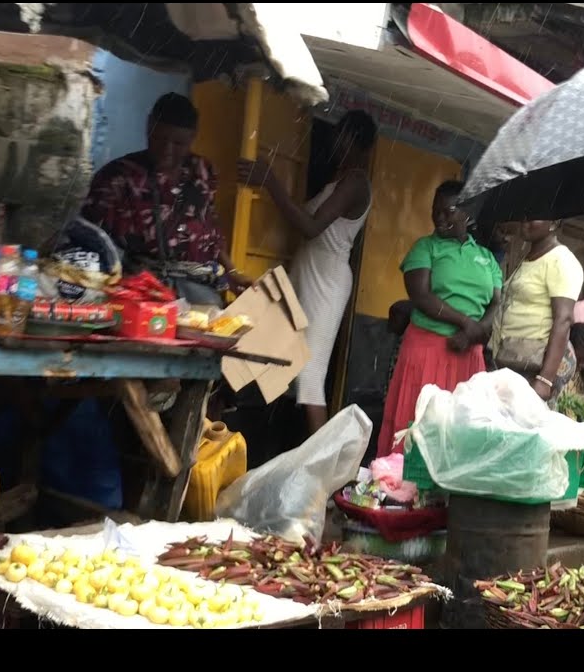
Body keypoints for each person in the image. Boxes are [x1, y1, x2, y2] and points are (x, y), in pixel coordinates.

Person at [237, 110, 376, 435]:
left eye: (341, 136)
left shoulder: (356, 181)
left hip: (326, 279)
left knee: (310, 377)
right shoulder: (339, 178)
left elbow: (311, 226)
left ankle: (321, 473)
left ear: (356, 142)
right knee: (282, 364)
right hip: (308, 273)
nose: (334, 142)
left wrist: (270, 181)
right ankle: (283, 458)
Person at [81, 93, 250, 305]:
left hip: (198, 291)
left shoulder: (203, 171)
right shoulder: (118, 176)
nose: (167, 150)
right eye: (160, 139)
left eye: (178, 143)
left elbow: (211, 231)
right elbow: (88, 237)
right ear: (149, 125)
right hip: (139, 290)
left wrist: (232, 273)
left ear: (193, 136)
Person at [377, 182, 502, 456]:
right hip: (428, 349)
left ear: (468, 214)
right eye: (436, 211)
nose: (440, 217)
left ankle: (444, 494)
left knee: (458, 430)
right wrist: (466, 324)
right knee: (416, 422)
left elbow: (495, 301)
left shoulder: (486, 257)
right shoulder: (425, 248)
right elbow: (420, 295)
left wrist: (474, 332)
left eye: (449, 211)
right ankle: (401, 485)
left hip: (468, 353)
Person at [490, 220, 584, 406]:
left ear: (554, 223)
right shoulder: (530, 258)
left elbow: (563, 319)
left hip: (533, 366)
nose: (525, 222)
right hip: (512, 360)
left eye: (534, 217)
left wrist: (545, 380)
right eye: (525, 216)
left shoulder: (561, 261)